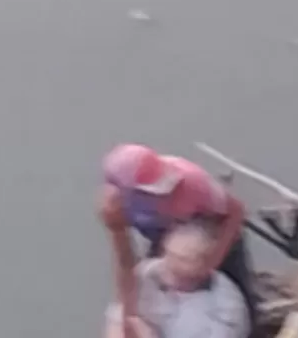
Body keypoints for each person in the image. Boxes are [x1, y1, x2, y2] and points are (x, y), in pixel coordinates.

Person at [98, 144, 256, 337]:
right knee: (151, 293)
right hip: (165, 237)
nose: (163, 191)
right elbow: (125, 263)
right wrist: (129, 318)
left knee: (240, 300)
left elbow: (236, 211)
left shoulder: (191, 182)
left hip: (215, 233)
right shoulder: (116, 209)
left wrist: (211, 262)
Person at [103, 222, 250, 338]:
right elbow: (119, 317)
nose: (166, 265)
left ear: (206, 265)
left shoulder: (226, 310)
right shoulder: (148, 272)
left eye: (182, 260)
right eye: (168, 254)